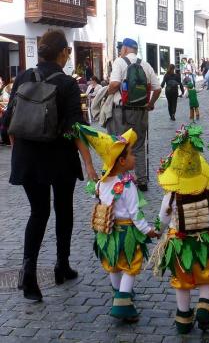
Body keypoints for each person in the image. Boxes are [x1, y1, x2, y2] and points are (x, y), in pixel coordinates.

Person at [3, 29, 97, 301]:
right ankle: (61, 264)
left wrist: (17, 149)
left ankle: (28, 274)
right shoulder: (67, 84)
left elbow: (9, 121)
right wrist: (89, 164)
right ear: (63, 53)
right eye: (68, 51)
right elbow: (75, 128)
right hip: (59, 158)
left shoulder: (23, 76)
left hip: (27, 157)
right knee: (63, 209)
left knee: (38, 212)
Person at [76, 125, 159, 322]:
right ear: (122, 161)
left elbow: (94, 191)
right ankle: (123, 303)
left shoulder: (103, 182)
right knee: (131, 264)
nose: (134, 157)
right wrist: (148, 231)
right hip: (126, 231)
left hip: (107, 232)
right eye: (131, 154)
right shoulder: (127, 185)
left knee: (113, 263)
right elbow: (135, 213)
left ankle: (118, 293)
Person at [153, 125, 209, 333]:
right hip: (205, 240)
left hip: (179, 243)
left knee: (182, 280)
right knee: (206, 274)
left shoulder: (172, 195)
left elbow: (163, 217)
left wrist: (158, 230)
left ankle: (183, 317)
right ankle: (205, 305)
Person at [106, 38, 161, 192]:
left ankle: (123, 180)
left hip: (122, 112)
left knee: (120, 144)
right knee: (139, 145)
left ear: (124, 49)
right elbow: (157, 89)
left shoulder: (119, 62)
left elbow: (115, 84)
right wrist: (150, 104)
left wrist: (107, 92)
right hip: (141, 112)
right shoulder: (146, 64)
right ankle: (142, 180)